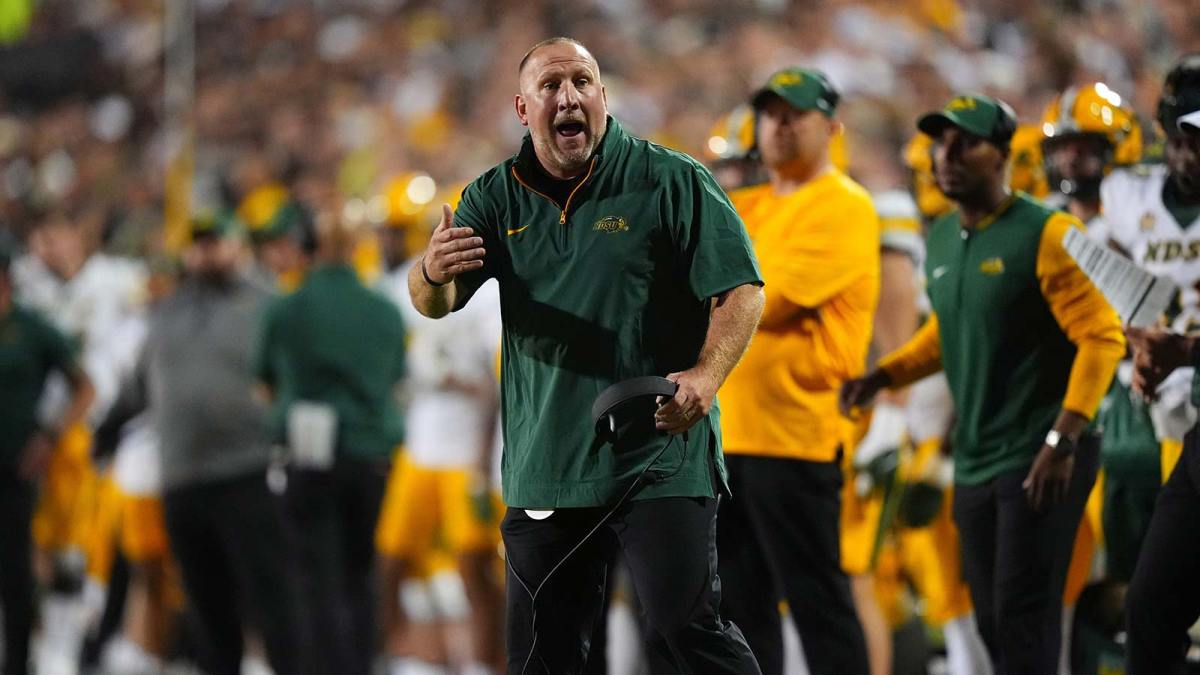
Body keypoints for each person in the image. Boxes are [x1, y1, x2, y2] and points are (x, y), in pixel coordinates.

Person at [409, 37, 764, 675]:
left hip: (659, 449)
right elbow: (436, 303)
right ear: (523, 108)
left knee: (685, 630)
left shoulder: (671, 178)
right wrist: (430, 274)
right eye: (551, 85)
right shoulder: (494, 197)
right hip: (550, 462)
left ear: (602, 97)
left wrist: (707, 376)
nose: (568, 96)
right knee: (542, 655)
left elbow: (741, 288)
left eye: (583, 81)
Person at [840, 93, 1125, 675]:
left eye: (965, 143)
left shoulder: (1049, 231)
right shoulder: (945, 237)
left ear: (1003, 156)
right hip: (977, 456)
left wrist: (1062, 439)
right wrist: (885, 376)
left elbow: (1103, 337)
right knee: (992, 615)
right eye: (942, 143)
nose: (947, 155)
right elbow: (950, 328)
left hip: (1042, 450)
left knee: (1026, 614)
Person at [711, 67, 874, 675]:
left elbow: (760, 300)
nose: (778, 125)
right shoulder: (745, 203)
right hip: (729, 438)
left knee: (818, 607)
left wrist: (699, 296)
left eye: (794, 114)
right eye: (770, 113)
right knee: (741, 612)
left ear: (830, 126)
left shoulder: (844, 206)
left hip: (797, 437)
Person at [99, 212, 309, 675]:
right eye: (198, 244)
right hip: (182, 479)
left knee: (273, 603)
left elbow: (300, 377)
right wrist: (106, 429)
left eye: (215, 242)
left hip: (247, 472)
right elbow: (139, 386)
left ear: (238, 246)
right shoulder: (166, 310)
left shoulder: (268, 303)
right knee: (206, 609)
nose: (205, 252)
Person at [254, 210, 407, 675]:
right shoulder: (384, 309)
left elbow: (262, 382)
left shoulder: (288, 306)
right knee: (360, 576)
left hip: (308, 453)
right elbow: (395, 379)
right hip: (371, 455)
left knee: (315, 580)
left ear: (310, 249)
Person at [374, 191, 506, 675]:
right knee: (389, 561)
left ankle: (483, 664)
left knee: (474, 568)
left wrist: (479, 460)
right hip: (419, 447)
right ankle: (399, 657)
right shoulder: (403, 286)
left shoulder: (485, 293)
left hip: (461, 451)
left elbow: (494, 384)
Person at [1118, 56, 1200, 675]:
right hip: (1189, 429)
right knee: (1148, 608)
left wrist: (1184, 352)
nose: (1191, 154)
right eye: (1184, 139)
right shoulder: (1131, 196)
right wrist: (1151, 349)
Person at [0, 242, 95, 675]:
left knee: (16, 574)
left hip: (14, 470)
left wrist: (50, 436)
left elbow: (84, 386)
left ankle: (19, 662)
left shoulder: (32, 328)